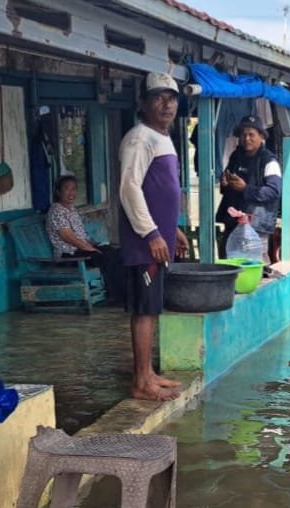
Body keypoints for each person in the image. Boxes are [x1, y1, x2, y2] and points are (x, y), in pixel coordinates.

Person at [118, 72, 191, 401]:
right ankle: (141, 382)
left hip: (158, 239)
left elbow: (160, 191)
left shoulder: (162, 137)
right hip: (144, 242)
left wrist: (171, 228)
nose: (167, 104)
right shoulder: (139, 138)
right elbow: (130, 188)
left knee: (152, 308)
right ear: (144, 103)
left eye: (172, 98)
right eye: (159, 97)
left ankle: (148, 373)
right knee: (144, 310)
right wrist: (151, 233)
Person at [47, 174, 124, 307]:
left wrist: (94, 244)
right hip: (69, 255)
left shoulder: (71, 209)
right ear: (58, 191)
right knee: (105, 258)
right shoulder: (56, 211)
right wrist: (88, 248)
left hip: (81, 249)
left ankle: (123, 294)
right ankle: (113, 296)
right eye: (67, 189)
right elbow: (68, 236)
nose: (71, 193)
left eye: (74, 189)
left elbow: (81, 235)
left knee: (116, 253)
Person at [216, 114, 282, 257]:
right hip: (233, 224)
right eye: (243, 135)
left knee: (254, 265)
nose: (247, 139)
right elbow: (227, 186)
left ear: (261, 137)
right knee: (229, 263)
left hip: (257, 226)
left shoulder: (269, 161)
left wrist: (246, 189)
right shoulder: (236, 156)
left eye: (251, 135)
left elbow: (274, 191)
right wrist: (226, 184)